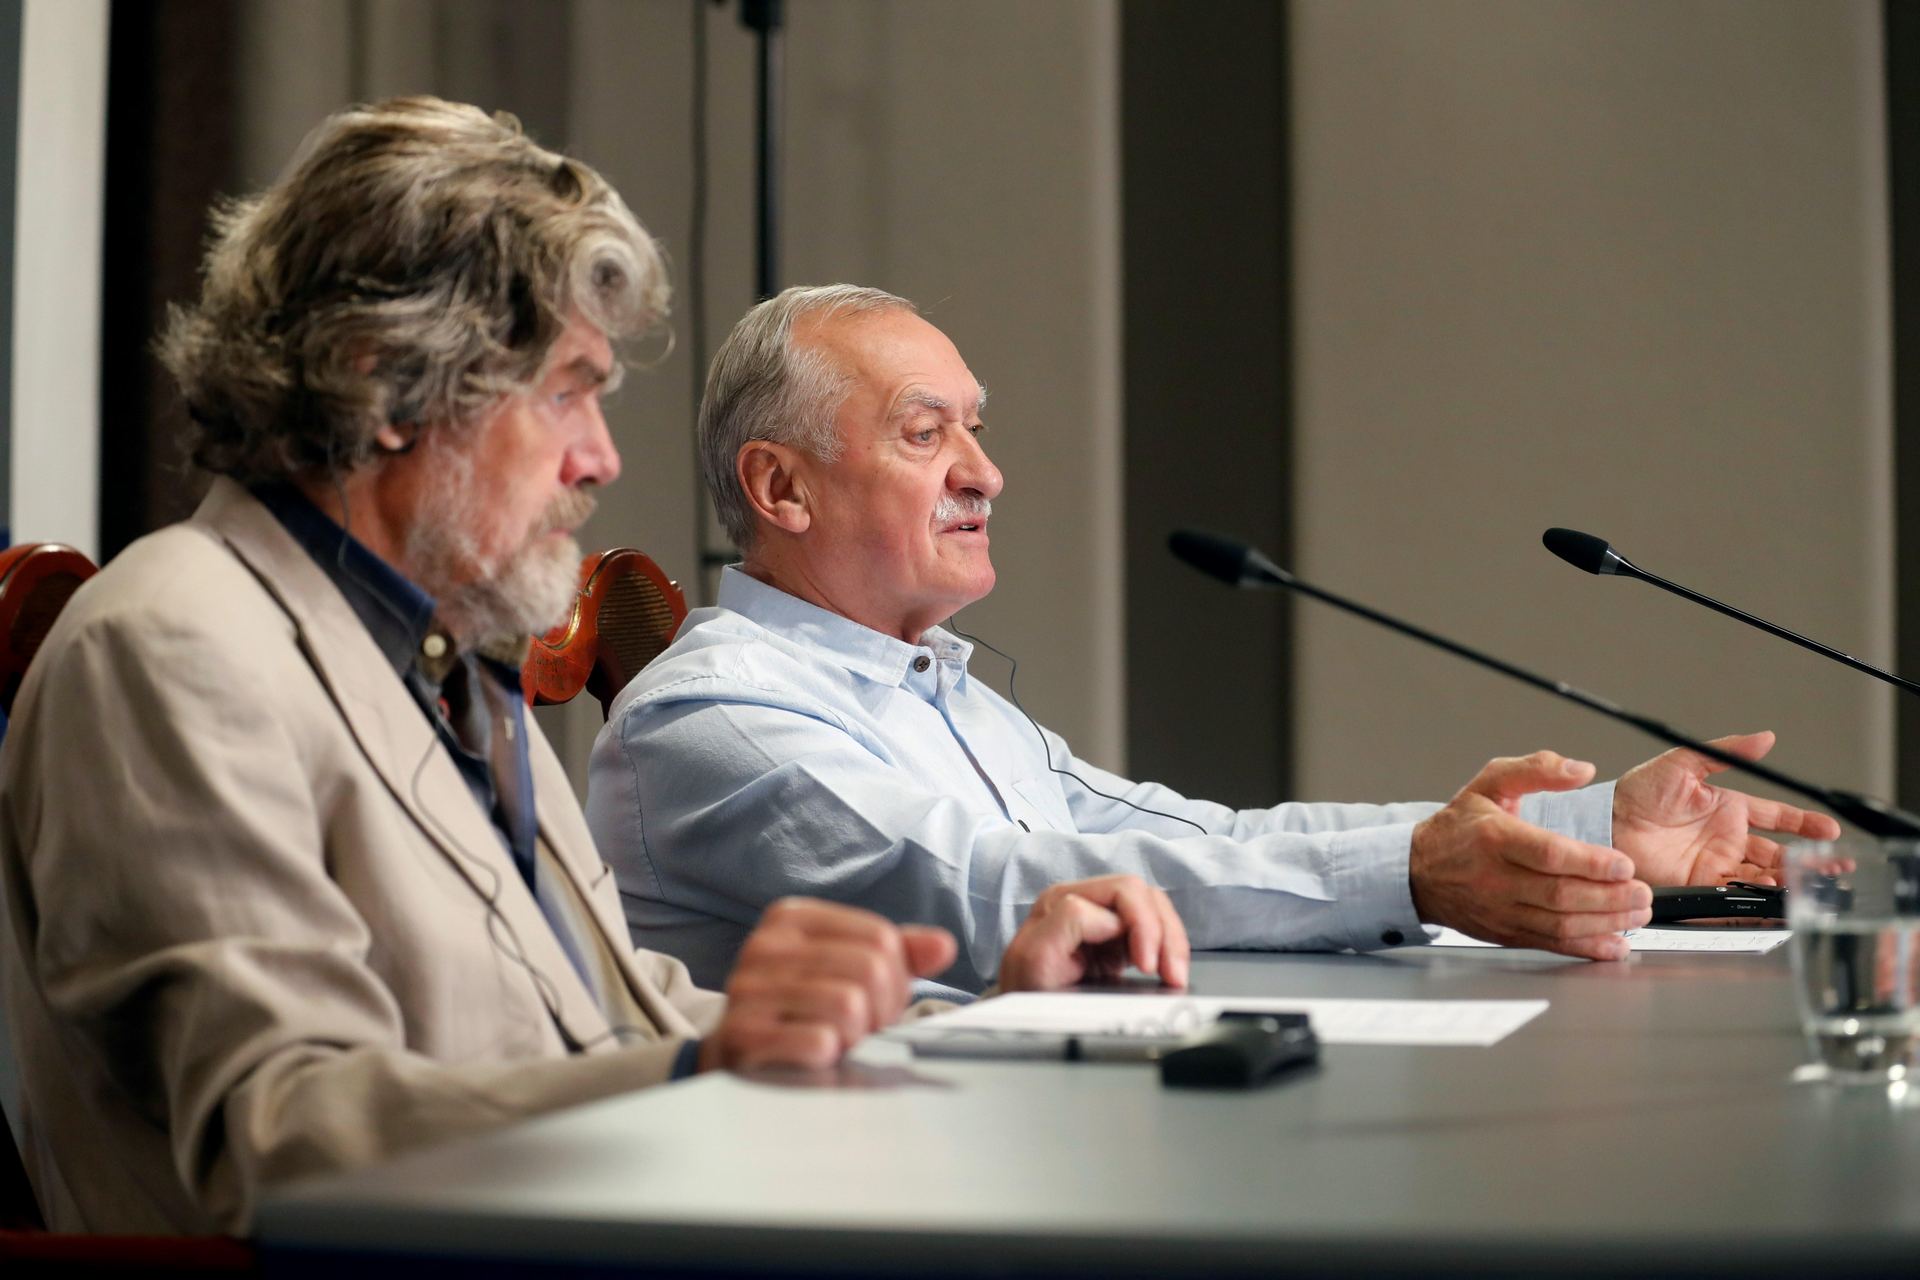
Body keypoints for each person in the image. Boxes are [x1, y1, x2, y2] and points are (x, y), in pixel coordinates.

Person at [0, 104, 1186, 1237]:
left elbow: (622, 1012)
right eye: (567, 388)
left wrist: (982, 1027)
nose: (600, 457)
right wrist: (702, 1067)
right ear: (387, 380)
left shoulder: (442, 657)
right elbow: (281, 1135)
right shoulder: (172, 647)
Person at [585, 283, 1839, 996]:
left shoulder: (945, 696)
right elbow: (1012, 891)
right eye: (929, 435)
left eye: (979, 429)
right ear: (782, 489)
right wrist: (1416, 871)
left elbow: (1196, 837)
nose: (988, 472)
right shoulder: (716, 715)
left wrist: (1572, 835)